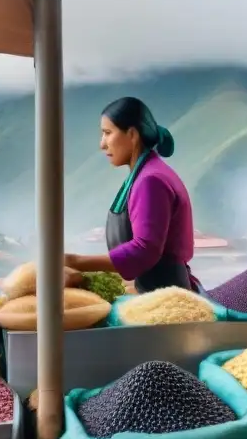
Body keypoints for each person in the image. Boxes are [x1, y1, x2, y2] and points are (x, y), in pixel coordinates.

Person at [64, 97, 199, 293]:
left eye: (107, 133)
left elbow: (144, 251)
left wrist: (74, 261)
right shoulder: (144, 175)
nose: (102, 144)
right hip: (152, 291)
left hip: (164, 298)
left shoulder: (151, 181)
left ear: (132, 134)